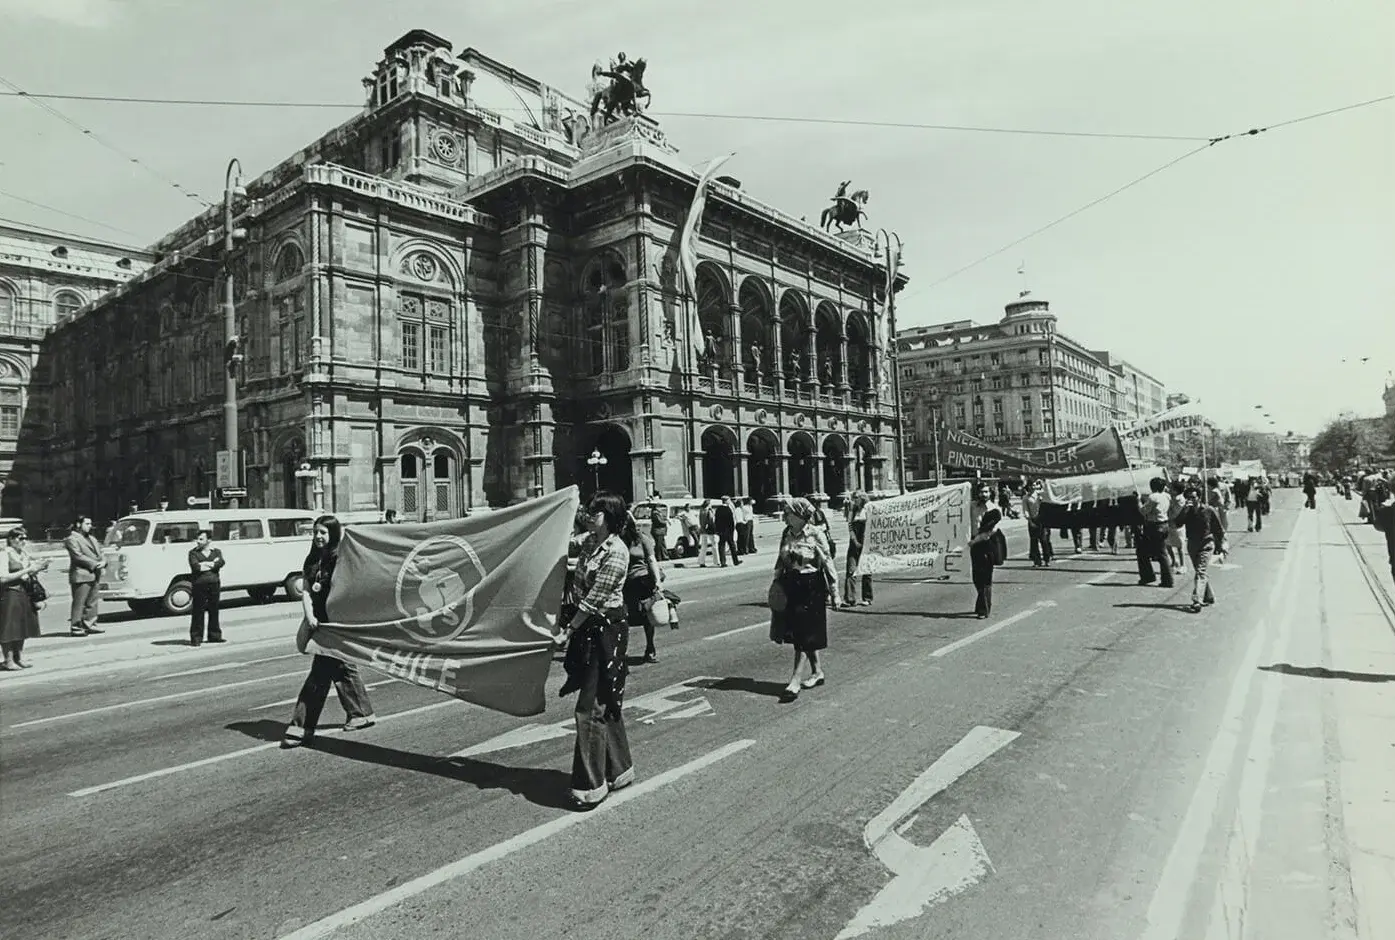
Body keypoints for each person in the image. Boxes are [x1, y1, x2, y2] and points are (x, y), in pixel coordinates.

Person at [556, 492, 635, 809]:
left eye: (596, 512)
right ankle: (620, 769)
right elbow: (561, 544)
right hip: (590, 628)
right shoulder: (589, 542)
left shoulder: (617, 551)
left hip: (605, 630)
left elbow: (593, 600)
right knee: (605, 698)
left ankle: (590, 786)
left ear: (610, 517)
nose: (590, 516)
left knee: (589, 708)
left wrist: (568, 630)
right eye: (589, 510)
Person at [282, 515, 376, 748]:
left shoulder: (342, 558)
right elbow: (306, 589)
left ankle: (301, 726)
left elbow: (352, 587)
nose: (318, 536)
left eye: (323, 532)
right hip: (319, 622)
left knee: (320, 673)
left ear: (333, 534)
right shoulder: (313, 558)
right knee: (341, 666)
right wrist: (309, 616)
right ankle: (361, 712)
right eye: (315, 532)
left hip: (337, 623)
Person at [770, 497, 842, 702]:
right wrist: (775, 584)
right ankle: (817, 672)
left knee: (803, 633)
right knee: (801, 632)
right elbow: (780, 560)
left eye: (788, 513)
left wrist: (835, 592)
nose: (784, 517)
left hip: (811, 586)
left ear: (800, 516)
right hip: (791, 585)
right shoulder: (786, 533)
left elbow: (827, 562)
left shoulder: (816, 534)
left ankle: (795, 681)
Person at [1, 527, 49, 670]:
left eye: (25, 538)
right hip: (9, 593)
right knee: (9, 627)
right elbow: (3, 578)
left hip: (24, 592)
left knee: (22, 626)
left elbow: (28, 573)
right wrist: (28, 570)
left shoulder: (23, 554)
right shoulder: (4, 554)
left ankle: (19, 657)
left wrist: (39, 567)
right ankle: (8, 660)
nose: (24, 541)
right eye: (20, 538)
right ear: (11, 539)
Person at [620, 511, 664, 664]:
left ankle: (650, 648)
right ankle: (621, 651)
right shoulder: (618, 541)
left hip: (643, 582)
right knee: (623, 617)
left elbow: (651, 560)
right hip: (624, 584)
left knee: (646, 616)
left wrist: (657, 581)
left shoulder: (642, 539)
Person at [1175, 487, 1225, 613]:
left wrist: (1220, 546)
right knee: (1199, 571)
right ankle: (1209, 596)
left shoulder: (1209, 510)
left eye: (1193, 497)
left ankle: (1197, 600)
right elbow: (1178, 523)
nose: (1191, 500)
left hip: (1207, 543)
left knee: (1201, 571)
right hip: (1192, 543)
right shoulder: (1187, 511)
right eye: (1188, 498)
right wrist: (1185, 509)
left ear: (1199, 497)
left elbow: (1218, 529)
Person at [64, 516, 106, 637]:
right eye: (87, 523)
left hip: (94, 573)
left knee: (92, 601)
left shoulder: (92, 538)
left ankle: (90, 624)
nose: (90, 526)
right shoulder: (71, 539)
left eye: (90, 523)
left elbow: (101, 552)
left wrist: (104, 561)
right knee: (80, 602)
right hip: (81, 574)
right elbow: (77, 556)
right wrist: (95, 564)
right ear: (78, 524)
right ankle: (76, 626)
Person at [187, 529, 226, 647]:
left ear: (209, 540)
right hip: (199, 584)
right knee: (198, 611)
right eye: (197, 539)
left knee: (214, 609)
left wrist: (205, 564)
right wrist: (212, 564)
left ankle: (214, 636)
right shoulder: (193, 553)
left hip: (214, 584)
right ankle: (196, 638)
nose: (198, 541)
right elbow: (196, 567)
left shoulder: (216, 551)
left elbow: (221, 563)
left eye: (201, 539)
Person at [968, 509, 1007, 618]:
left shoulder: (992, 510)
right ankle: (982, 605)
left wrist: (973, 542)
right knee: (977, 578)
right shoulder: (972, 507)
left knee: (984, 580)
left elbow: (988, 533)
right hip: (977, 548)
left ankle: (983, 609)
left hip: (986, 548)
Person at [1138, 477, 1175, 588]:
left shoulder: (1153, 497)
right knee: (1160, 552)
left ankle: (1158, 578)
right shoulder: (1167, 496)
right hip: (1164, 524)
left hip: (1154, 526)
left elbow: (1143, 511)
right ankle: (1164, 578)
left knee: (1147, 552)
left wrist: (1138, 501)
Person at [843, 491, 873, 606]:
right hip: (854, 542)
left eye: (856, 498)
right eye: (853, 498)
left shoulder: (868, 509)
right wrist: (855, 541)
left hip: (866, 542)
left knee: (866, 570)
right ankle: (850, 599)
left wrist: (866, 541)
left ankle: (867, 597)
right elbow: (850, 526)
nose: (854, 500)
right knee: (851, 570)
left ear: (862, 498)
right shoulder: (853, 511)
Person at [1023, 479, 1053, 567]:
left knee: (1044, 540)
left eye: (1034, 485)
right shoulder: (1026, 498)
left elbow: (1048, 493)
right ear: (1028, 486)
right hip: (1033, 520)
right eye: (1032, 485)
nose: (1033, 487)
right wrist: (1030, 521)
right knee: (1034, 541)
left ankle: (1047, 559)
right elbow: (1025, 510)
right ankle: (1037, 561)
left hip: (1042, 519)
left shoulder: (1040, 495)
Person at [715, 496, 740, 566]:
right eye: (729, 500)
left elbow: (716, 521)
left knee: (721, 546)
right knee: (732, 546)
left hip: (721, 531)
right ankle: (735, 561)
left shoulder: (718, 509)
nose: (730, 502)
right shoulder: (728, 509)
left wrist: (717, 530)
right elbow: (731, 521)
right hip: (728, 531)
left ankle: (723, 562)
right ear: (726, 501)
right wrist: (732, 529)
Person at [697, 499, 717, 567]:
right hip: (710, 530)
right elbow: (711, 520)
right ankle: (716, 561)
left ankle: (701, 562)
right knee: (714, 545)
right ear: (709, 504)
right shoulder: (709, 510)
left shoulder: (701, 510)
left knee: (703, 546)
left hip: (703, 530)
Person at [649, 497, 669, 562]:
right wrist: (665, 522)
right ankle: (658, 557)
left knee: (663, 544)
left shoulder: (657, 512)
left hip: (661, 531)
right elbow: (659, 521)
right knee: (658, 545)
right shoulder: (655, 513)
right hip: (658, 531)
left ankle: (665, 556)